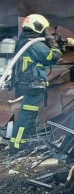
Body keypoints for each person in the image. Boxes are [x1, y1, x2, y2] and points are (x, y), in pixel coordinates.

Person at [9, 14, 63, 153]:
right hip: (32, 84)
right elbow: (52, 57)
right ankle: (17, 146)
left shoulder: (25, 42)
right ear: (38, 27)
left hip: (27, 83)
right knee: (27, 115)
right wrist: (53, 44)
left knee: (28, 114)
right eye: (44, 30)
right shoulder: (35, 44)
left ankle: (19, 143)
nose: (45, 33)